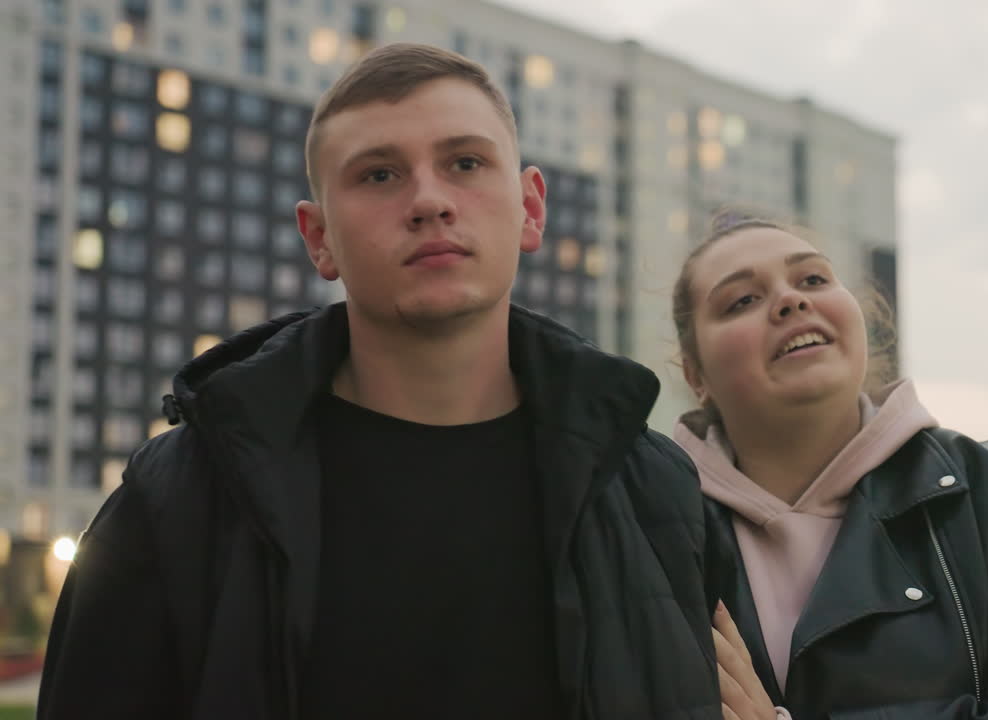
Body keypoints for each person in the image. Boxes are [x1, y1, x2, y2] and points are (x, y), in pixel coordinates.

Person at [37, 43, 725, 719]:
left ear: (531, 208)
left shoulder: (653, 490)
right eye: (378, 175)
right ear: (319, 239)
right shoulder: (181, 499)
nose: (430, 201)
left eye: (465, 162)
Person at [671, 213, 988, 720]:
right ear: (696, 374)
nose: (792, 299)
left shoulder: (986, 485)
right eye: (742, 300)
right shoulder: (649, 523)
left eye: (813, 279)